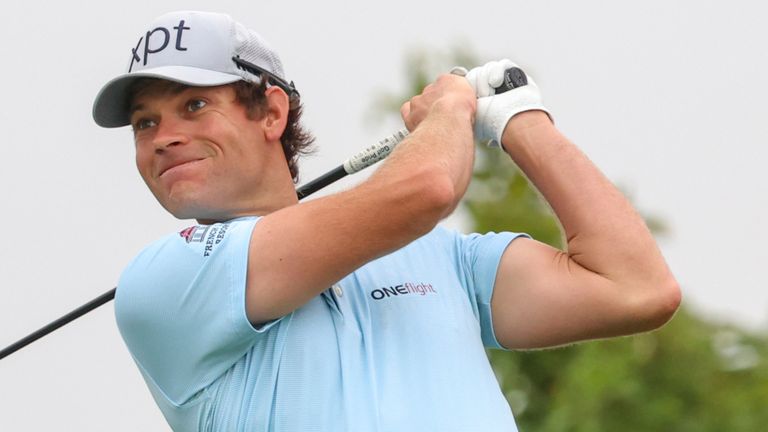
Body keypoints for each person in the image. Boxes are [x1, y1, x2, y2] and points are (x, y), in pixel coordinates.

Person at [93, 10, 680, 432]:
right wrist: (450, 109)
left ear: (270, 112)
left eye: (194, 106)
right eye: (145, 123)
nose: (164, 137)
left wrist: (519, 119)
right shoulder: (164, 280)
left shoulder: (442, 259)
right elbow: (427, 187)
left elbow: (635, 289)